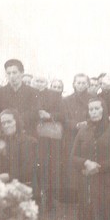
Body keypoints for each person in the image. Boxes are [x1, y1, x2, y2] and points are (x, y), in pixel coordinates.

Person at [71, 97, 110, 220]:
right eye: (91, 109)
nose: (94, 112)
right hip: (87, 178)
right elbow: (73, 157)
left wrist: (98, 168)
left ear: (104, 110)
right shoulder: (82, 131)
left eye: (97, 109)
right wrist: (86, 162)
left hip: (108, 180)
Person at [0, 109, 41, 203]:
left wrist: (10, 176)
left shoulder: (30, 142)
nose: (6, 125)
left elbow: (30, 168)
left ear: (17, 121)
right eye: (3, 123)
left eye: (9, 122)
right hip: (2, 188)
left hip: (25, 188)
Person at [61, 73, 91, 202]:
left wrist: (87, 124)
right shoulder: (66, 100)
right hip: (71, 135)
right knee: (72, 161)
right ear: (74, 84)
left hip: (88, 134)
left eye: (84, 83)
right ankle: (72, 192)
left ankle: (85, 192)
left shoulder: (93, 98)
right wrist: (76, 125)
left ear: (88, 84)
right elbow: (64, 118)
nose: (81, 85)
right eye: (78, 82)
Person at [36, 84, 64, 212]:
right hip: (34, 134)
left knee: (49, 165)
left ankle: (50, 197)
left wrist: (49, 115)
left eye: (41, 81)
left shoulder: (55, 96)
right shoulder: (31, 94)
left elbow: (63, 114)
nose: (38, 84)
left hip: (49, 137)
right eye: (37, 81)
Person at [0, 59, 40, 137]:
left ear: (22, 73)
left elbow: (34, 113)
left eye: (14, 73)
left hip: (27, 134)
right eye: (8, 73)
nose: (11, 76)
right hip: (6, 134)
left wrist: (17, 122)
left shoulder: (33, 92)